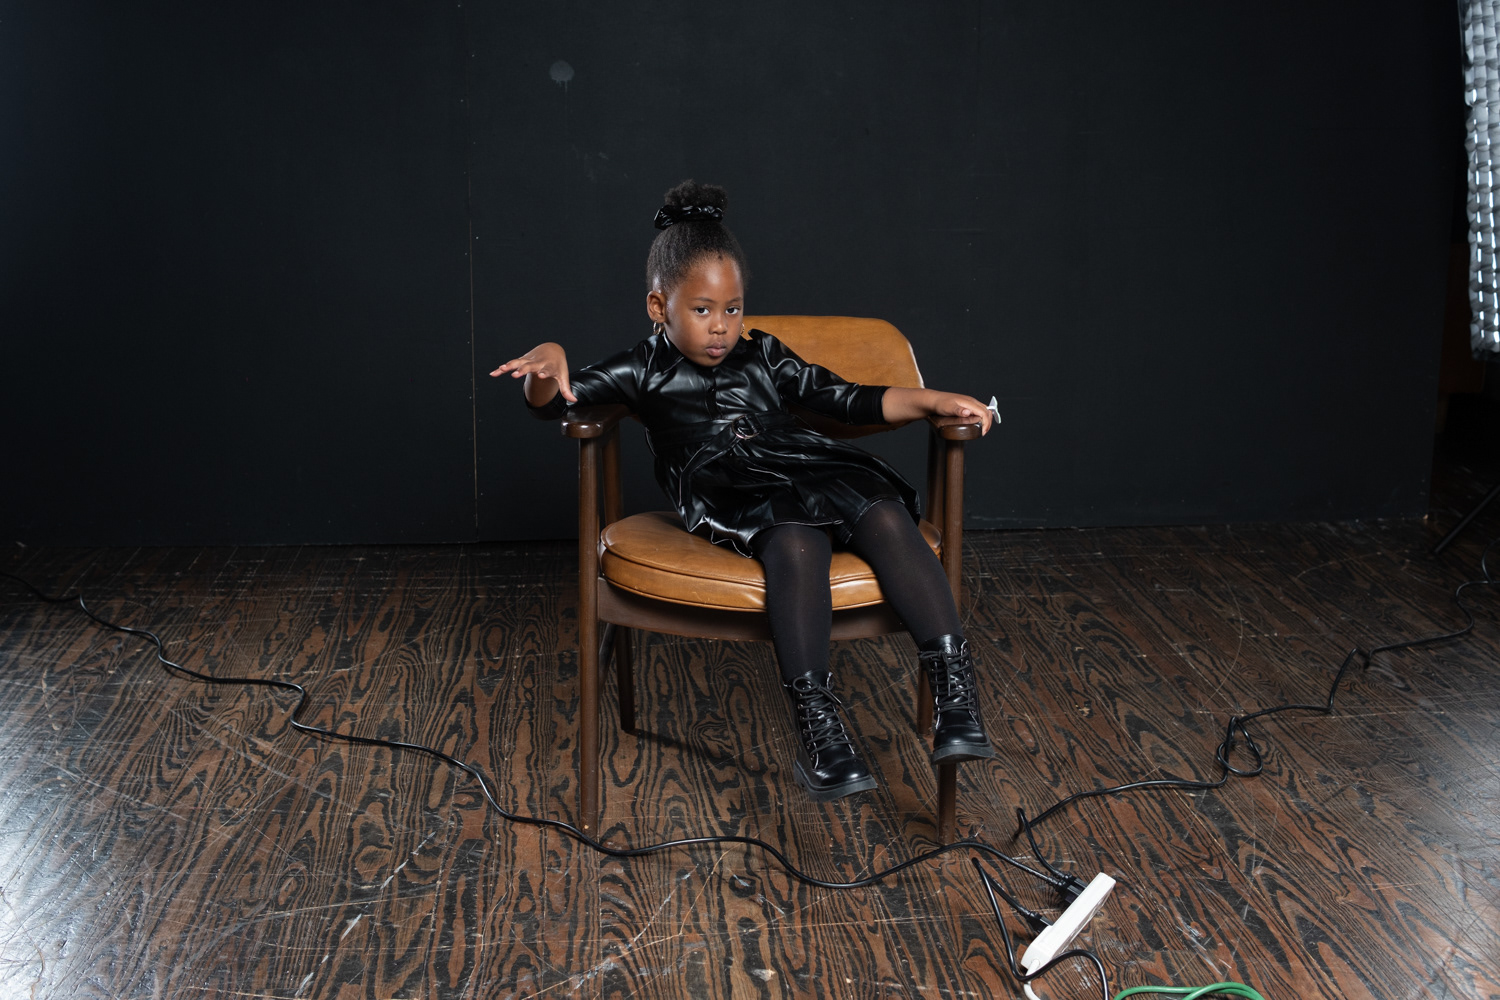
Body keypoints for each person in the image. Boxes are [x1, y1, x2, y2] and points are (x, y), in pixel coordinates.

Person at [492, 180, 996, 802]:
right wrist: (548, 360)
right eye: (703, 310)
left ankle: (955, 698)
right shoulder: (640, 369)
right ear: (659, 307)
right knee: (795, 539)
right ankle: (820, 731)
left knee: (884, 511)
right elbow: (555, 401)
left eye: (732, 309)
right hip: (729, 487)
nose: (721, 327)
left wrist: (933, 400)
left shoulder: (764, 355)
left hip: (807, 461)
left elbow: (842, 398)